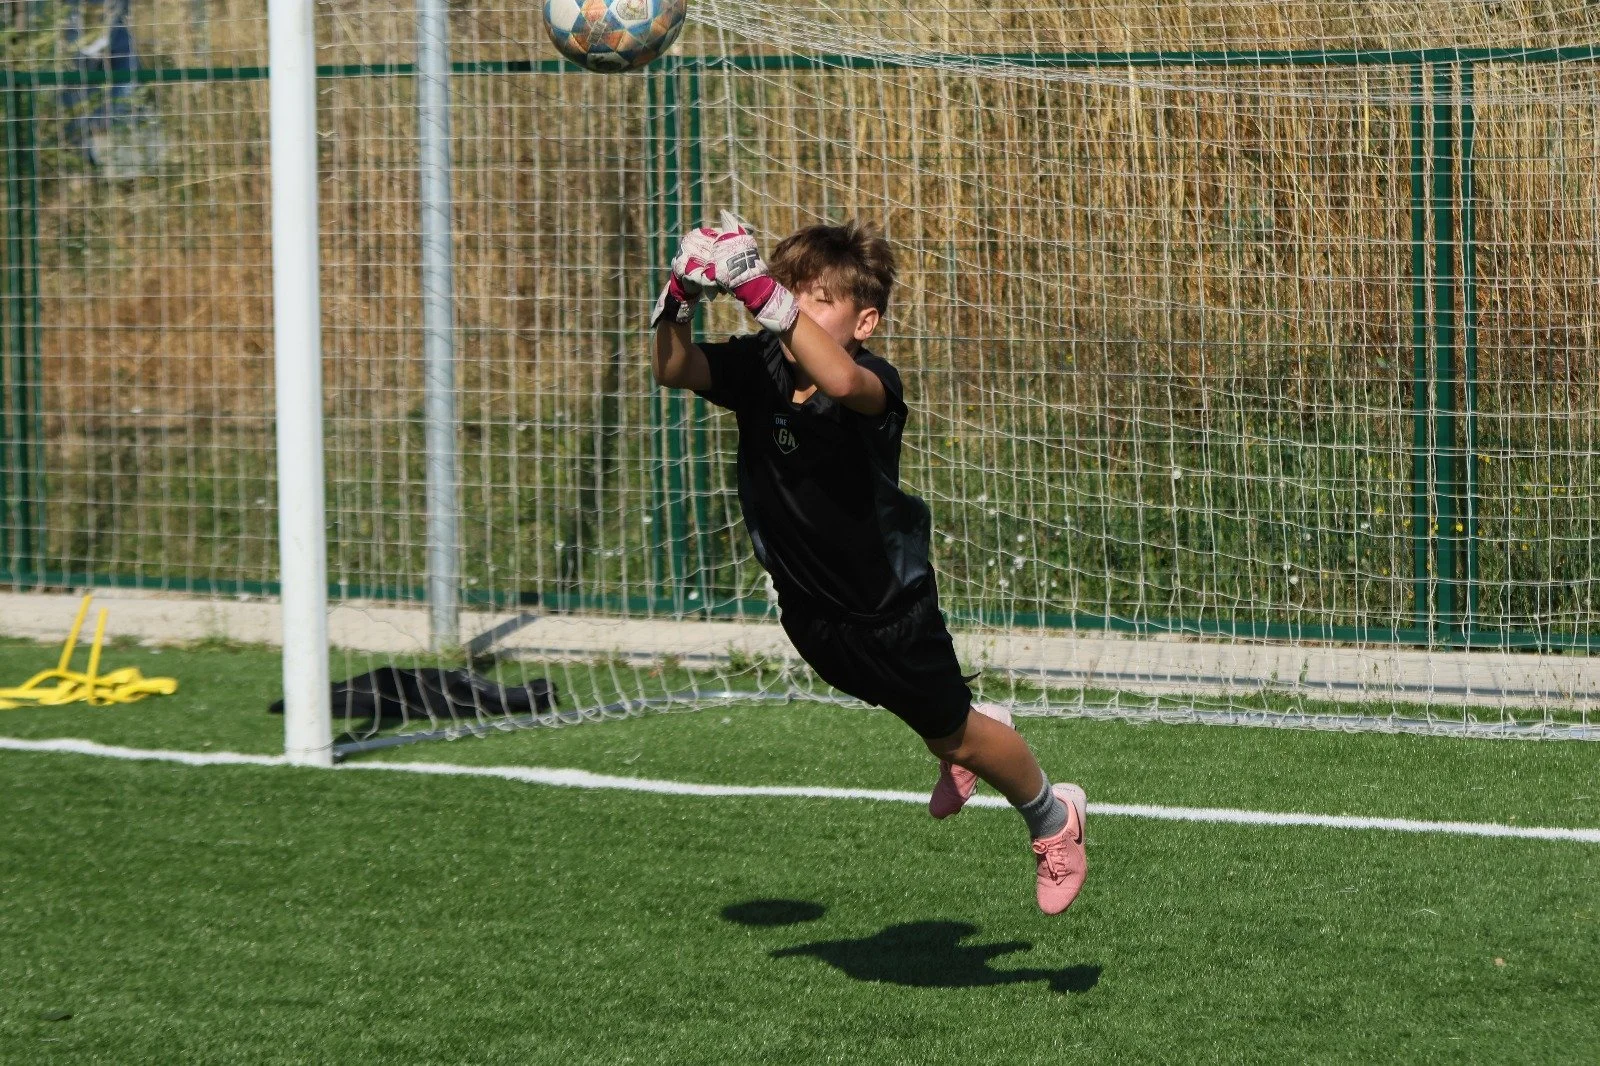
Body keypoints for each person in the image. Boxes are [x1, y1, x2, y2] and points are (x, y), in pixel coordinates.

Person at [650, 212, 1087, 914]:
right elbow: (673, 367)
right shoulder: (761, 369)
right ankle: (960, 730)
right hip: (812, 614)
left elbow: (845, 383)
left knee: (962, 736)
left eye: (819, 298)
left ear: (866, 321)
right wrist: (677, 297)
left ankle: (1053, 814)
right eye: (793, 291)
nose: (797, 308)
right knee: (909, 706)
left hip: (890, 611)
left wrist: (761, 289)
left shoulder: (870, 383)